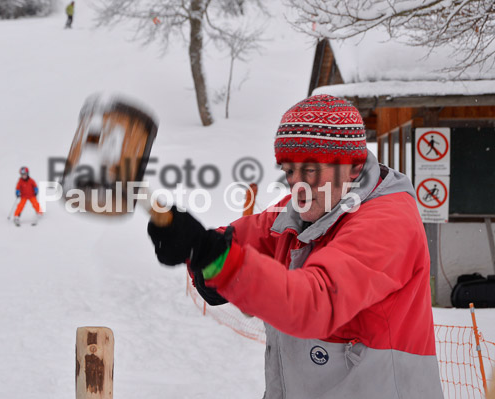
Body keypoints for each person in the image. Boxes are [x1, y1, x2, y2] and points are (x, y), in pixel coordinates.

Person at [147, 94, 444, 398]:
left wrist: (220, 260)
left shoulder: (388, 222)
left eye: (311, 169)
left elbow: (314, 302)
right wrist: (196, 248)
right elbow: (234, 240)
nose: (297, 185)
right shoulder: (299, 211)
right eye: (289, 170)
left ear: (354, 167)